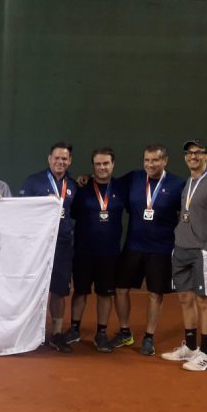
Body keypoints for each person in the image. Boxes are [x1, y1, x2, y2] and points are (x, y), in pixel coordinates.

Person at [161, 140, 207, 372]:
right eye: (189, 153)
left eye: (198, 153)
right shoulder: (189, 182)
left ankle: (206, 354)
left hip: (202, 252)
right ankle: (190, 347)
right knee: (184, 299)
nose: (193, 156)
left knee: (203, 300)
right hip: (181, 249)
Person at [109, 145, 186, 355]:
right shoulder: (134, 178)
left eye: (155, 160)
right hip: (133, 245)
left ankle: (149, 337)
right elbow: (108, 183)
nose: (150, 165)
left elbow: (186, 214)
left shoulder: (178, 184)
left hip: (161, 249)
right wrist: (85, 178)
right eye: (146, 160)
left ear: (165, 161)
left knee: (155, 294)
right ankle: (125, 331)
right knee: (120, 289)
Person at [64, 148, 126, 352]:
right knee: (80, 292)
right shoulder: (81, 187)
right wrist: (84, 178)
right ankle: (74, 328)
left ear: (113, 164)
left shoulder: (121, 188)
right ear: (93, 166)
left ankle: (101, 333)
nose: (102, 167)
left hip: (109, 254)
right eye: (98, 164)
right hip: (83, 251)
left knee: (104, 294)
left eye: (106, 163)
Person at [19, 142, 78, 353]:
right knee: (31, 287)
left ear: (69, 161)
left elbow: (77, 214)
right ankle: (28, 331)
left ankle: (57, 333)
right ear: (49, 158)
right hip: (36, 246)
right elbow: (21, 211)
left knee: (59, 290)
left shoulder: (73, 185)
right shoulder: (34, 181)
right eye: (56, 158)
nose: (60, 162)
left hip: (62, 245)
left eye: (64, 159)